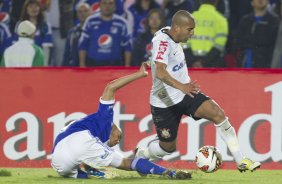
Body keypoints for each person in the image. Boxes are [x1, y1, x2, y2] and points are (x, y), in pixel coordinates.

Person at [135, 10, 261, 172]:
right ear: (177, 28)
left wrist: (183, 88)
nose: (193, 34)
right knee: (167, 147)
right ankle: (143, 153)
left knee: (218, 114)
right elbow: (160, 72)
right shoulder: (162, 42)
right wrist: (181, 86)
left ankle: (241, 160)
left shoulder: (171, 33)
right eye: (190, 30)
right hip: (164, 102)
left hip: (185, 94)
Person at [51, 62, 192, 179]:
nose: (118, 141)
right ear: (114, 127)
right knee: (126, 163)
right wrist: (139, 74)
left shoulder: (88, 132)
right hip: (80, 142)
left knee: (81, 173)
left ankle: (89, 171)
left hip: (57, 160)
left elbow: (71, 147)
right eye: (120, 135)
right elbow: (110, 87)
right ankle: (169, 173)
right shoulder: (105, 119)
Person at [78, 0, 131, 66]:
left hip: (115, 65)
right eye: (104, 3)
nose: (107, 6)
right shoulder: (90, 21)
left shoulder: (122, 23)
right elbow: (83, 45)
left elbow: (127, 47)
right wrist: (82, 64)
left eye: (110, 3)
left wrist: (127, 67)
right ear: (99, 5)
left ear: (115, 6)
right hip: (93, 64)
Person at [182, 0, 229, 68]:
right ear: (217, 1)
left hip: (190, 65)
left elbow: (184, 44)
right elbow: (219, 46)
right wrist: (203, 63)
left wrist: (194, 62)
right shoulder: (221, 20)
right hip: (212, 65)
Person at [235, 0, 279, 68]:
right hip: (245, 63)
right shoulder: (245, 20)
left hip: (265, 65)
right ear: (251, 2)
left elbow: (274, 45)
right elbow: (238, 42)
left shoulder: (274, 21)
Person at [17, 0, 53, 66]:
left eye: (36, 6)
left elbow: (46, 49)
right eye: (31, 6)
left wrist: (44, 65)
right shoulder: (19, 24)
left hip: (38, 60)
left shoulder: (46, 25)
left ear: (40, 8)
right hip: (22, 60)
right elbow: (15, 44)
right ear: (26, 9)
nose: (34, 9)